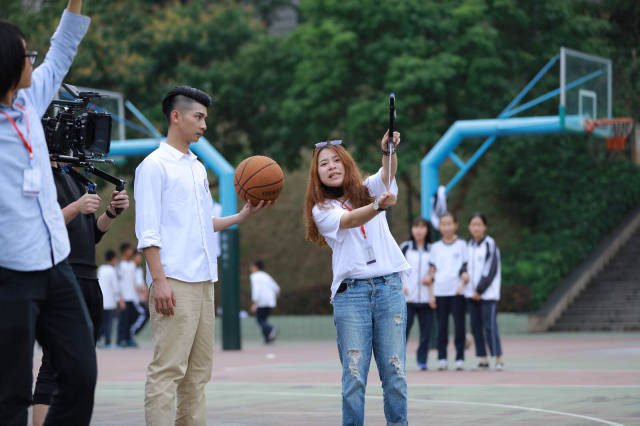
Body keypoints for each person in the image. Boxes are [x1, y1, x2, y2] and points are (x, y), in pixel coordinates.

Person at [135, 85, 271, 425]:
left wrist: (240, 217)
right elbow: (148, 232)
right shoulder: (153, 166)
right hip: (174, 281)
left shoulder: (196, 167)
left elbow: (200, 223)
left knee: (197, 376)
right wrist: (160, 282)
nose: (204, 125)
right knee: (168, 371)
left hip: (204, 280)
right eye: (199, 117)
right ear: (175, 116)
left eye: (206, 118)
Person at [0, 2, 97, 424]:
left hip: (54, 264)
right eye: (27, 56)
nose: (34, 62)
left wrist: (75, 2)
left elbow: (63, 49)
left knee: (80, 373)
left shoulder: (30, 99)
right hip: (9, 273)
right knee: (11, 393)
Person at [304, 132, 410, 426]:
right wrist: (378, 206)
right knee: (354, 378)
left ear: (346, 163)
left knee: (396, 374)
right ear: (317, 174)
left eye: (336, 160)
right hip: (351, 296)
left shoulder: (367, 188)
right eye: (324, 164)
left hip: (389, 288)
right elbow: (350, 220)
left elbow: (388, 173)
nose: (332, 166)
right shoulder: (321, 209)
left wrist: (388, 150)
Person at [32, 159, 130, 425]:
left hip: (89, 278)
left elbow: (90, 235)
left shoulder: (76, 178)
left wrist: (110, 213)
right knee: (53, 366)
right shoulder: (39, 175)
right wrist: (75, 207)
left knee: (80, 370)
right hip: (63, 276)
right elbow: (40, 228)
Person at [427, 212, 469, 371]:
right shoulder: (435, 248)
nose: (446, 227)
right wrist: (431, 294)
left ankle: (460, 358)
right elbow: (432, 272)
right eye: (443, 224)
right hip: (440, 291)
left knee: (460, 326)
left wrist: (462, 283)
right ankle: (442, 358)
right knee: (442, 327)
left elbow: (465, 267)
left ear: (455, 225)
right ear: (440, 227)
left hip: (457, 292)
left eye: (449, 223)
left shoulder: (462, 245)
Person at [466, 213, 504, 370]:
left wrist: (480, 290)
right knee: (475, 327)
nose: (476, 227)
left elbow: (491, 269)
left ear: (484, 227)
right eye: (473, 224)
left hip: (487, 294)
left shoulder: (490, 244)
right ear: (469, 227)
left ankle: (498, 358)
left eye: (479, 224)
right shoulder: (468, 246)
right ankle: (483, 359)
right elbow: (464, 267)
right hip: (471, 295)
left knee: (490, 326)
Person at [399, 217, 433, 371]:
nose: (419, 230)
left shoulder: (432, 249)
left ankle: (422, 360)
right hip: (407, 299)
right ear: (411, 229)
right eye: (416, 227)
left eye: (422, 227)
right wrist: (401, 286)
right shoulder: (405, 247)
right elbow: (396, 268)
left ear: (427, 230)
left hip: (426, 299)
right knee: (403, 332)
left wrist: (432, 278)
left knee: (426, 333)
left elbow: (437, 270)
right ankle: (399, 360)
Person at [98, 249, 124, 348]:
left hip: (101, 301)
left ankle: (99, 339)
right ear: (113, 259)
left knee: (101, 322)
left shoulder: (101, 268)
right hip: (109, 302)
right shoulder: (112, 271)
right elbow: (115, 287)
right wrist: (120, 300)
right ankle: (108, 342)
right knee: (108, 323)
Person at [249, 260, 280, 343]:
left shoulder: (254, 276)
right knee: (264, 320)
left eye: (252, 266)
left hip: (261, 301)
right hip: (270, 300)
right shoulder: (266, 275)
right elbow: (276, 288)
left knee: (259, 320)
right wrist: (273, 298)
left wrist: (255, 302)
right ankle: (267, 339)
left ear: (256, 267)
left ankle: (271, 329)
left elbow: (256, 289)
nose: (251, 268)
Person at [116, 242, 140, 347]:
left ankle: (128, 338)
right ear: (125, 251)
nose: (131, 252)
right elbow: (117, 281)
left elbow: (135, 282)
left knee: (131, 318)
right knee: (123, 320)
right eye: (130, 250)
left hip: (132, 297)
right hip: (124, 297)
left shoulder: (132, 265)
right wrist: (120, 297)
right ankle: (121, 339)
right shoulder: (120, 264)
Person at [130, 250, 150, 337]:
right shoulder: (133, 269)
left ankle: (131, 334)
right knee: (145, 314)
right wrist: (144, 293)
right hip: (136, 299)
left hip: (138, 298)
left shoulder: (138, 269)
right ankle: (132, 333)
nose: (140, 259)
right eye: (138, 256)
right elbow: (138, 285)